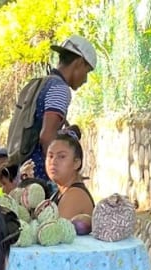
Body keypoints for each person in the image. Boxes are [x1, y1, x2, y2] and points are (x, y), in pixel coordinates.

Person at [29, 35, 97, 181]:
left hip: (28, 171)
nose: (85, 80)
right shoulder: (60, 89)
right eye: (87, 72)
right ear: (79, 63)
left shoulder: (45, 83)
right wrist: (56, 178)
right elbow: (47, 135)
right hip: (40, 178)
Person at [45, 129, 95, 220]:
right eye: (50, 156)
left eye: (62, 156)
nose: (53, 161)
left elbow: (56, 232)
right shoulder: (60, 192)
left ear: (76, 163)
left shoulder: (75, 195)